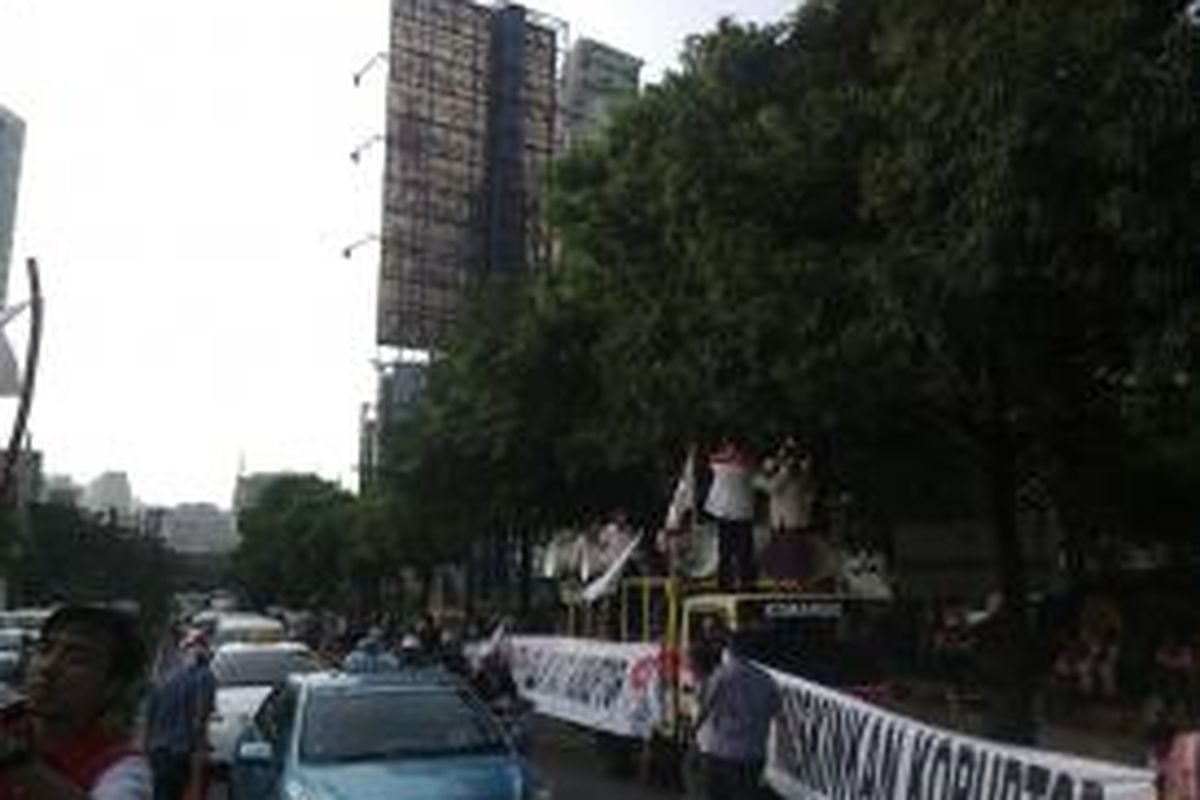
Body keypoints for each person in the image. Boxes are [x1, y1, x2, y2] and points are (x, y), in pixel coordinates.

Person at [0, 604, 151, 800]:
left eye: (75, 659)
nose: (48, 667)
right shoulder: (8, 719)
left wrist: (14, 759)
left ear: (112, 686)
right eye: (44, 649)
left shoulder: (122, 768)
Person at [694, 628, 781, 800]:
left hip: (721, 753)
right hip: (753, 754)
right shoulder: (766, 679)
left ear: (730, 649)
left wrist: (694, 733)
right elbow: (775, 710)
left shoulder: (720, 676)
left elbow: (704, 707)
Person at [143, 629, 214, 800]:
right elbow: (199, 720)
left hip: (157, 752)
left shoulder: (163, 677)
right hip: (182, 755)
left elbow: (149, 717)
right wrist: (200, 758)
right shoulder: (205, 677)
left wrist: (147, 752)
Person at [703, 439, 758, 590]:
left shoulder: (734, 467)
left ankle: (743, 584)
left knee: (741, 553)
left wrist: (729, 455)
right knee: (730, 553)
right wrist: (730, 455)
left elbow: (715, 459)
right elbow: (714, 460)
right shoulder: (724, 467)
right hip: (730, 514)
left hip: (738, 514)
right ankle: (730, 583)